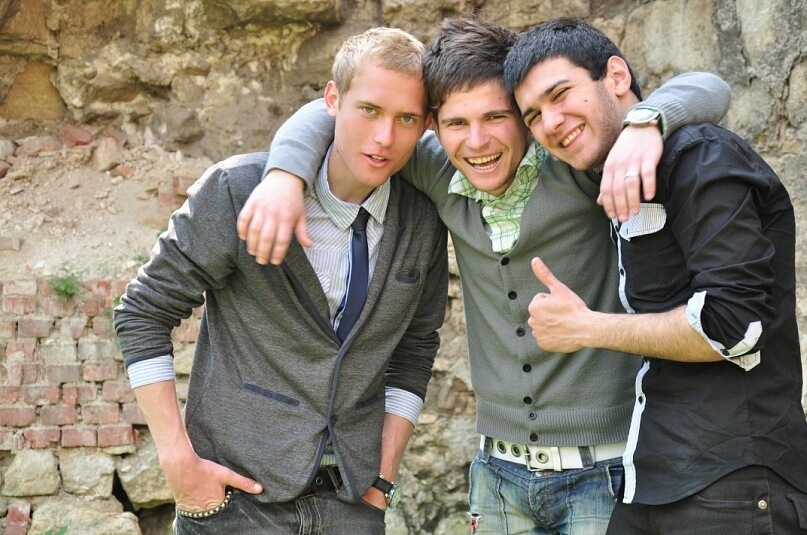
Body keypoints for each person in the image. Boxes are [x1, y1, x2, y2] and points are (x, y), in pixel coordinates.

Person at [236, 17, 732, 534]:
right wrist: (284, 175)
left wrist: (643, 125)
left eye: (496, 116)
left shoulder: (574, 163)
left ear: (522, 115)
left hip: (604, 472)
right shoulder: (438, 169)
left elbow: (710, 87)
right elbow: (336, 112)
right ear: (432, 125)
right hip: (497, 479)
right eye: (457, 123)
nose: (477, 142)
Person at [114, 27, 449, 534]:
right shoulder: (238, 189)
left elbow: (415, 349)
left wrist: (384, 474)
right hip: (234, 504)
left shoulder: (423, 221)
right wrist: (177, 460)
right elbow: (143, 312)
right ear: (332, 100)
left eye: (405, 119)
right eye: (369, 110)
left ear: (425, 126)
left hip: (352, 506)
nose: (385, 137)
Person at [507, 18, 807, 534]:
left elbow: (733, 325)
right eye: (533, 115)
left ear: (616, 76)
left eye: (560, 94)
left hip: (734, 477)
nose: (551, 122)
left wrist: (586, 327)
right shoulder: (606, 175)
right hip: (652, 475)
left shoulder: (700, 155)